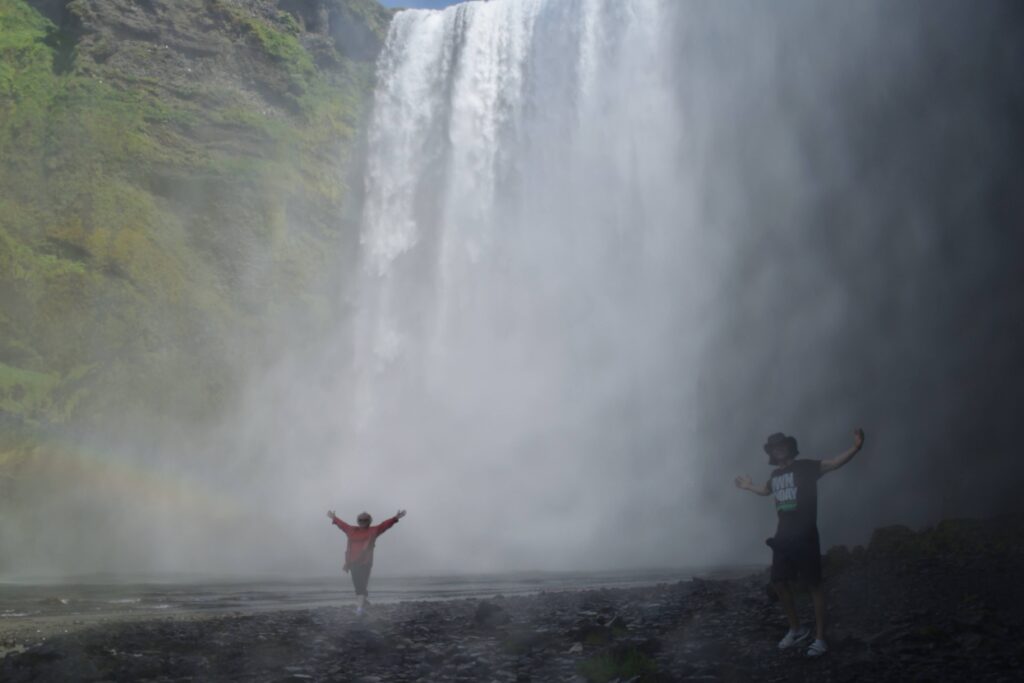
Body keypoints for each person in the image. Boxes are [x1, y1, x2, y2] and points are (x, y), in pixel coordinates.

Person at [734, 428, 865, 658]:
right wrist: (747, 486)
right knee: (778, 582)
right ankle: (797, 629)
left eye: (782, 445)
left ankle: (820, 639)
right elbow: (765, 491)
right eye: (774, 447)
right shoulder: (774, 476)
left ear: (789, 447)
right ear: (772, 453)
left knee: (814, 585)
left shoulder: (806, 467)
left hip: (805, 535)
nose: (779, 448)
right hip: (782, 537)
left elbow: (833, 463)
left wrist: (855, 448)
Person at [326, 508, 407, 615]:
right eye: (360, 520)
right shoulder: (351, 530)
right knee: (357, 584)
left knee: (361, 585)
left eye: (365, 520)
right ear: (358, 521)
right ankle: (363, 603)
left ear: (369, 521)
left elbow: (384, 525)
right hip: (352, 562)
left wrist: (396, 518)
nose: (362, 522)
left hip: (365, 562)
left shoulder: (373, 530)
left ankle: (359, 608)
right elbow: (342, 524)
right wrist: (333, 517)